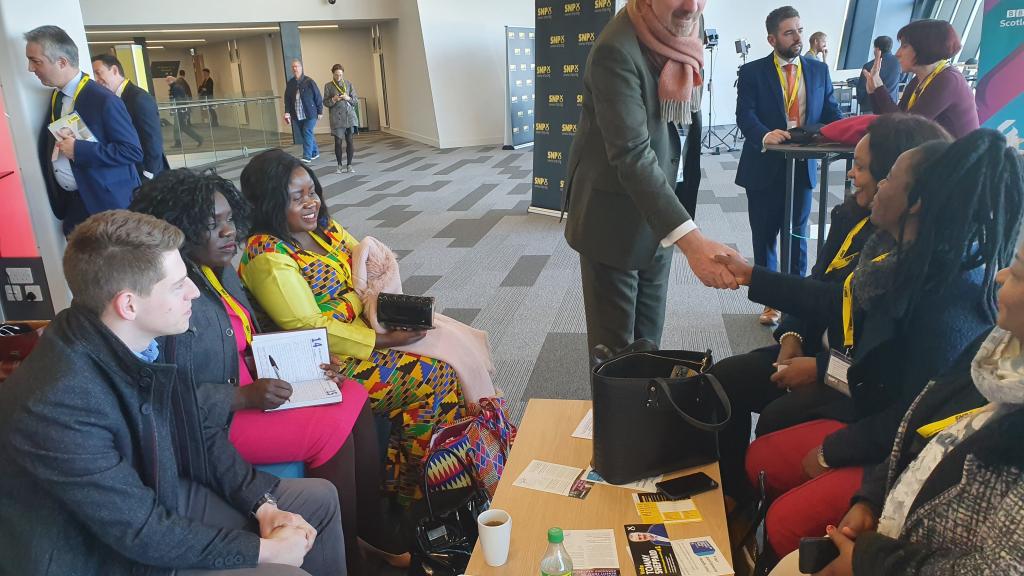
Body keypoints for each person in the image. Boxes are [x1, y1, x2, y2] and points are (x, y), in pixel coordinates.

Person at [720, 129, 1022, 558]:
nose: (869, 183)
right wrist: (770, 300)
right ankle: (752, 531)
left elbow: (914, 414)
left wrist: (833, 451)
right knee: (760, 448)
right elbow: (828, 297)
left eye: (884, 176)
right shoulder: (892, 253)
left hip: (889, 435)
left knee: (785, 513)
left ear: (915, 202)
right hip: (866, 397)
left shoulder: (947, 298)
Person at [0, 210, 348, 576]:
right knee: (285, 571)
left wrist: (264, 506)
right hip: (95, 553)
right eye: (178, 284)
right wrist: (264, 551)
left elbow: (197, 431)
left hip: (152, 497)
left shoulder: (141, 339)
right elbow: (139, 532)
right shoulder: (56, 404)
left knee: (318, 501)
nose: (194, 293)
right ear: (129, 304)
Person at [130, 169, 410, 574]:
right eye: (213, 224)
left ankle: (368, 523)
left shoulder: (218, 268)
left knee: (350, 393)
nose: (229, 232)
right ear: (179, 230)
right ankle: (348, 546)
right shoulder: (176, 297)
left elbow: (245, 339)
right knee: (330, 427)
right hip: (212, 422)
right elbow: (168, 399)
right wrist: (243, 396)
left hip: (245, 384)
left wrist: (304, 359)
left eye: (230, 219)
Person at [709, 114, 951, 504]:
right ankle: (736, 501)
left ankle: (771, 514)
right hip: (821, 350)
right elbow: (817, 288)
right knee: (723, 379)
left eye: (862, 168)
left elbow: (885, 374)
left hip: (855, 377)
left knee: (777, 419)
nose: (851, 175)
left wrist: (820, 371)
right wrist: (791, 338)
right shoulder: (852, 220)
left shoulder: (910, 264)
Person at [237, 149, 465, 505]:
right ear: (268, 203)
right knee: (435, 377)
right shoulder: (267, 254)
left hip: (362, 334)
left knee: (452, 345)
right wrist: (381, 338)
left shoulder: (322, 229)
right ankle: (421, 494)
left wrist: (374, 312)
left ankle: (420, 480)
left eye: (312, 191)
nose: (311, 203)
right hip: (327, 361)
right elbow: (309, 325)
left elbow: (364, 257)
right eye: (296, 198)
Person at [562, 0, 742, 357]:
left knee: (649, 339)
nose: (690, 6)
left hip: (663, 208)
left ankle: (645, 408)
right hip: (612, 217)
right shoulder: (615, 50)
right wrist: (693, 243)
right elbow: (631, 154)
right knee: (614, 353)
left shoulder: (688, 20)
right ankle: (614, 414)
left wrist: (679, 226)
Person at [735, 6, 844, 325]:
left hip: (804, 166)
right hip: (764, 165)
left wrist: (848, 132)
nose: (798, 37)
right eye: (789, 32)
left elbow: (831, 113)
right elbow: (746, 115)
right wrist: (765, 134)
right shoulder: (752, 72)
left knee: (797, 237)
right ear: (772, 39)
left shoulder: (818, 70)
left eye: (799, 29)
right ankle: (770, 302)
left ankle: (796, 301)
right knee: (765, 237)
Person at [26, 25, 142, 235]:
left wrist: (79, 150)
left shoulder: (104, 100)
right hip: (76, 204)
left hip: (107, 207)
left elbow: (131, 151)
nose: (30, 69)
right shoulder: (56, 96)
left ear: (61, 62)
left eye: (36, 61)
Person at [863, 19, 979, 138]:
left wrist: (879, 88)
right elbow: (891, 120)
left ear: (924, 47)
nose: (897, 53)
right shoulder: (918, 80)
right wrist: (873, 91)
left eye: (904, 46)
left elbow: (905, 130)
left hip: (957, 155)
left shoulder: (948, 80)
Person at [91, 53, 168, 180]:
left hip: (147, 175)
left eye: (99, 73)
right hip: (130, 172)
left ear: (115, 70)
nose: (97, 79)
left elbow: (153, 139)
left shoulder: (139, 98)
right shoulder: (110, 100)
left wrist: (148, 175)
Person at [283, 59, 323, 164]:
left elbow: (317, 96)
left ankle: (307, 156)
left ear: (301, 68)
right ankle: (315, 152)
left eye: (297, 66)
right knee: (306, 133)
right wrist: (287, 112)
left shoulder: (309, 81)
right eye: (293, 67)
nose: (295, 69)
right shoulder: (291, 83)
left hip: (310, 113)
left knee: (306, 131)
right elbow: (287, 99)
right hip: (297, 113)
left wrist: (320, 111)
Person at [323, 64, 358, 174]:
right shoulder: (328, 86)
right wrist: (334, 99)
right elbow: (325, 102)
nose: (338, 77)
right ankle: (339, 165)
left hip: (349, 116)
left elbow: (355, 100)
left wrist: (347, 98)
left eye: (340, 75)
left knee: (350, 141)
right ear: (332, 74)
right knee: (338, 142)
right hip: (336, 117)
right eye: (336, 75)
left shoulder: (348, 84)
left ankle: (349, 165)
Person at [856, 36, 900, 114]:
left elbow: (861, 89)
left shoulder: (869, 66)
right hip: (892, 104)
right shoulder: (899, 63)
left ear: (877, 49)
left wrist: (861, 102)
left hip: (870, 106)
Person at [166, 75, 204, 148]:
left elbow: (177, 100)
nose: (167, 83)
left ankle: (179, 142)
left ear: (172, 81)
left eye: (168, 81)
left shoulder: (175, 88)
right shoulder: (176, 87)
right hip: (180, 109)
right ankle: (198, 139)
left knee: (178, 126)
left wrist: (175, 109)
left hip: (179, 110)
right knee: (182, 126)